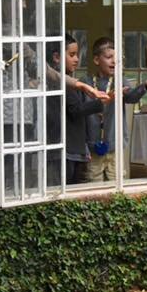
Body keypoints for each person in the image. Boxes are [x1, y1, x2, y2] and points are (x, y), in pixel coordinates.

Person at [83, 37, 147, 182]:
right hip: (92, 149)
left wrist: (145, 86)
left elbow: (131, 97)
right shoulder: (86, 83)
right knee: (93, 183)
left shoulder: (120, 81)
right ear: (96, 60)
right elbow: (80, 112)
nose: (114, 61)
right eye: (109, 57)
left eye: (117, 58)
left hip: (115, 147)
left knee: (117, 183)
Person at [46, 35, 110, 185]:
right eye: (72, 55)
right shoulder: (60, 83)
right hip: (65, 149)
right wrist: (100, 103)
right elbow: (75, 110)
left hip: (73, 148)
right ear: (56, 57)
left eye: (77, 55)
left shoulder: (69, 81)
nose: (76, 59)